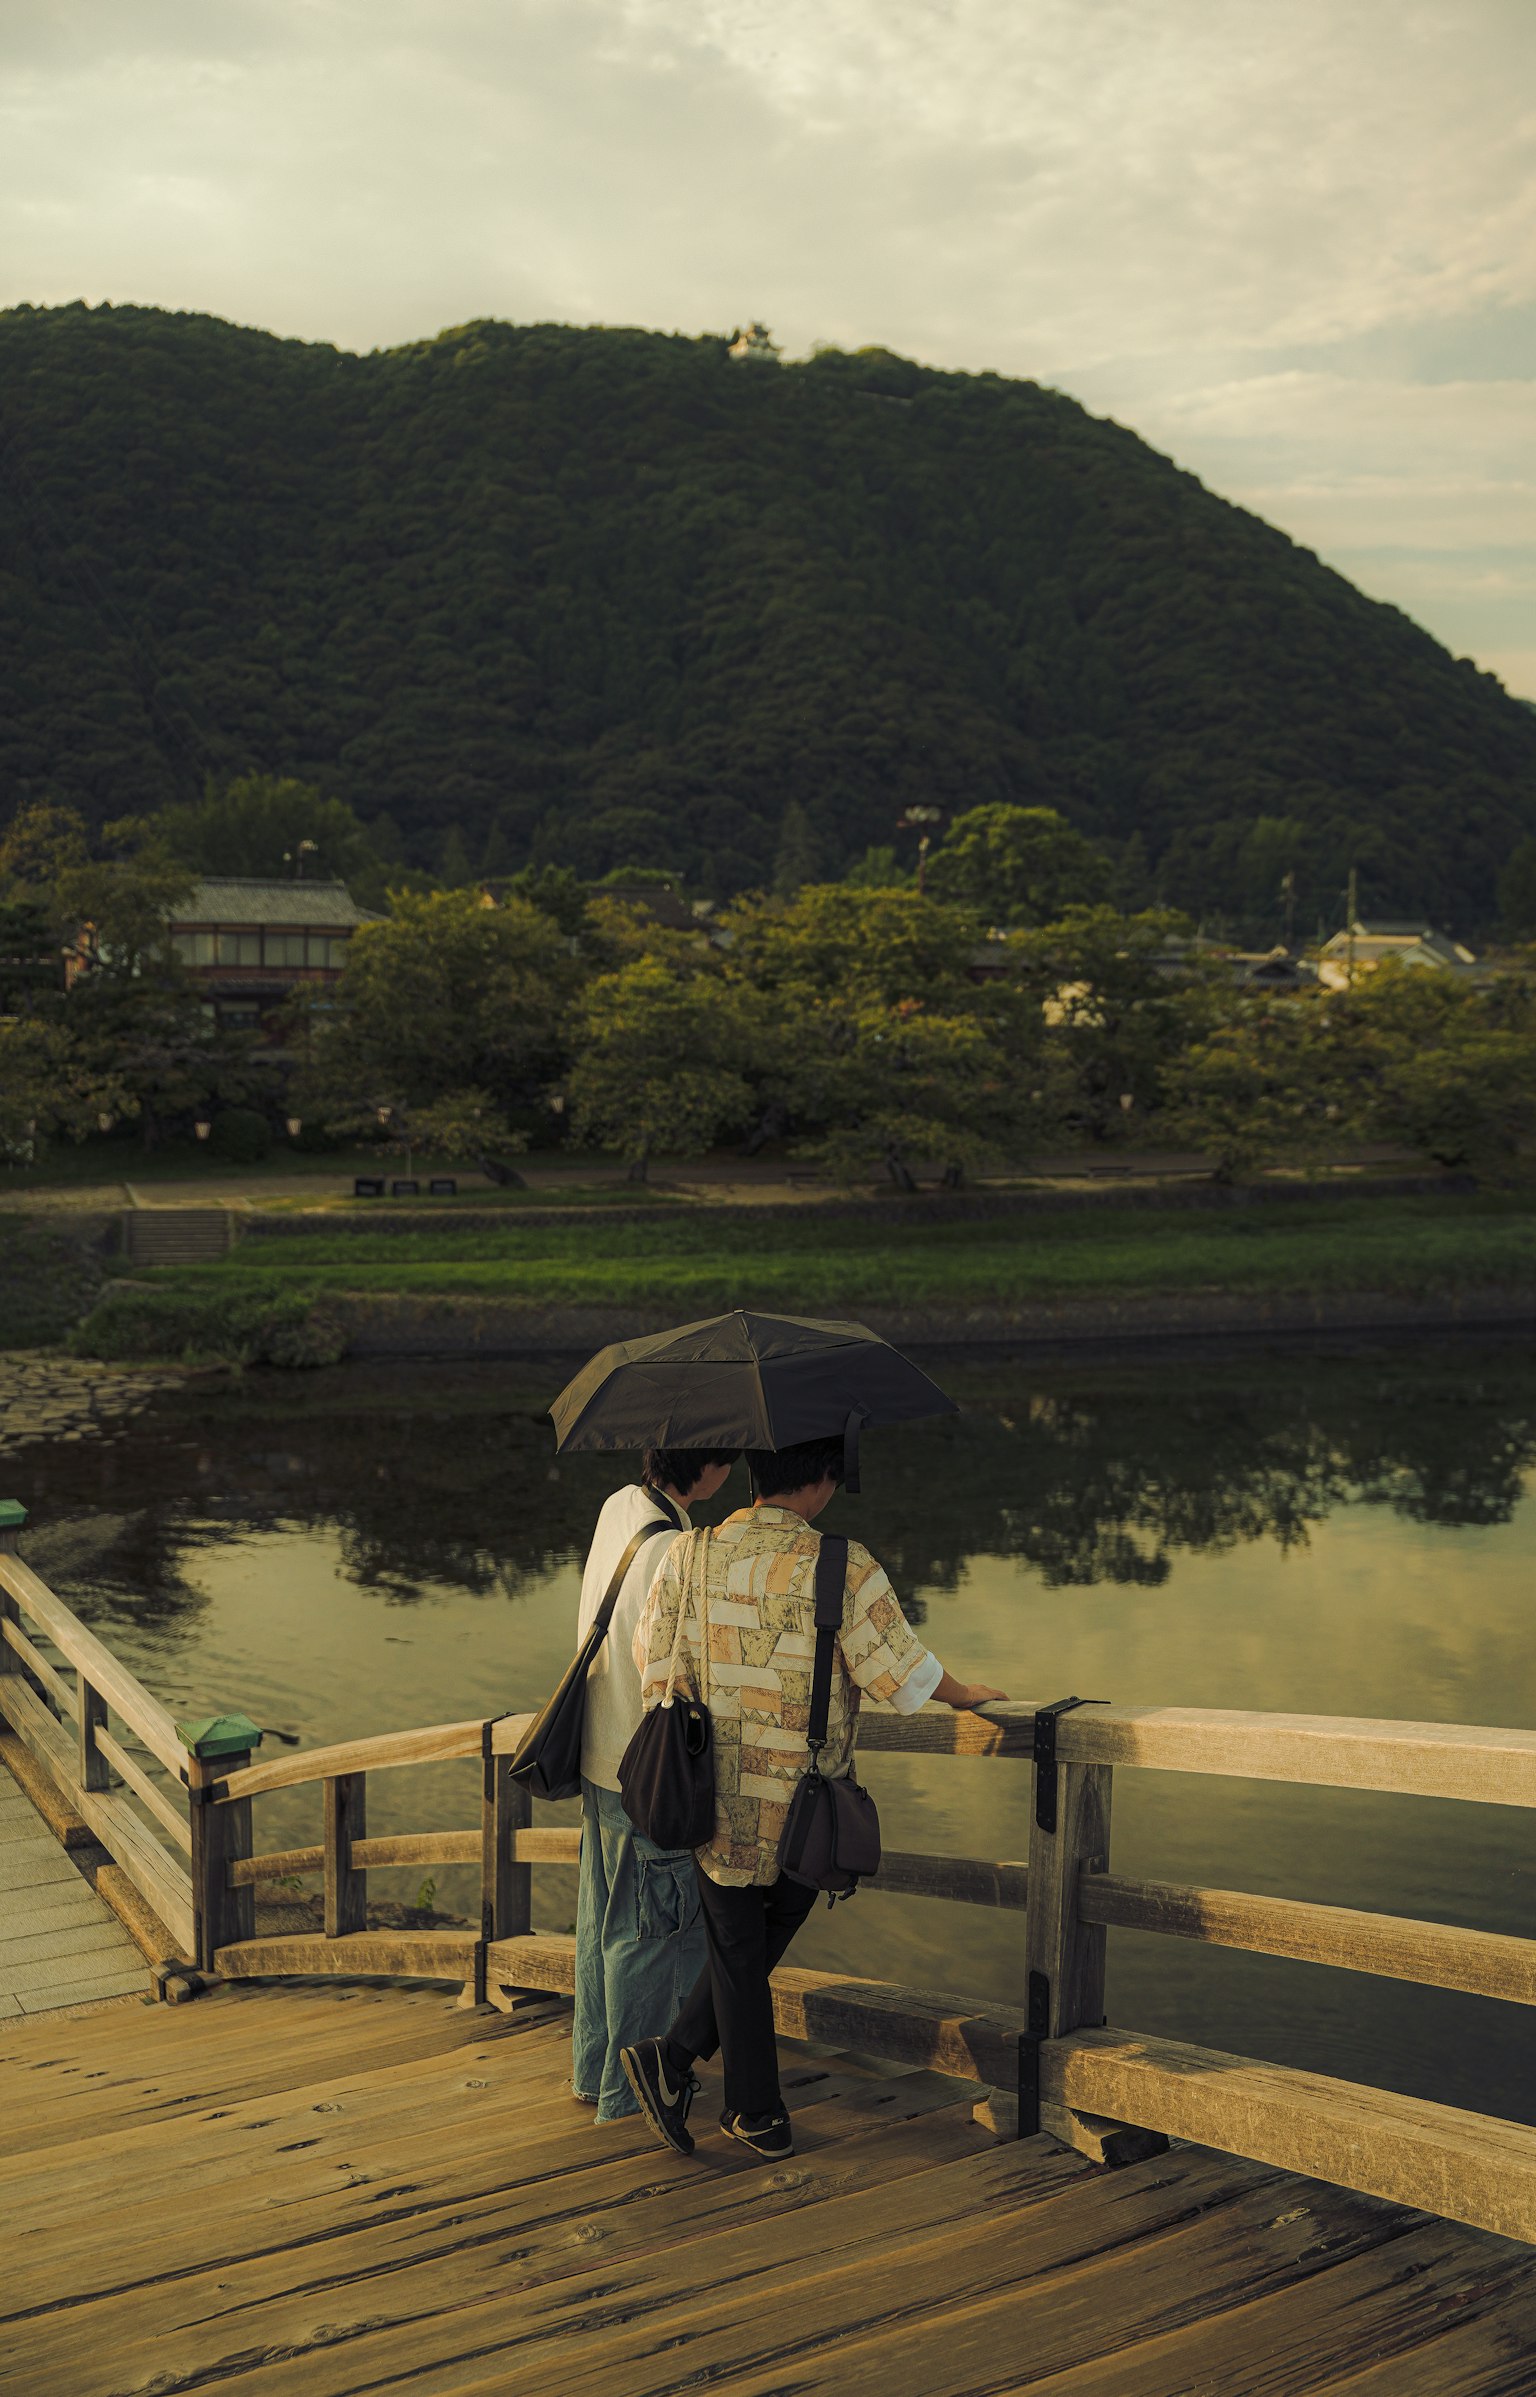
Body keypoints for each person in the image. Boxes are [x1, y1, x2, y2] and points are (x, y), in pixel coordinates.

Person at [620, 1432, 1006, 2161]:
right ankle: (749, 2108)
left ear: (755, 1472)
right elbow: (899, 1672)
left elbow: (651, 1658)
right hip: (803, 1803)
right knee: (769, 1923)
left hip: (711, 1792)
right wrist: (968, 1694)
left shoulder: (689, 1552)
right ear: (823, 1479)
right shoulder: (840, 1562)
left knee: (738, 1943)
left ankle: (673, 2063)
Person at [571, 1442, 738, 2120]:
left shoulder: (619, 1507)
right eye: (725, 1459)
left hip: (598, 1753)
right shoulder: (681, 1548)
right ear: (707, 1467)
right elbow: (685, 1671)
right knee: (653, 1937)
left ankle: (593, 2074)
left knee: (601, 1923)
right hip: (648, 1776)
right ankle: (630, 2103)